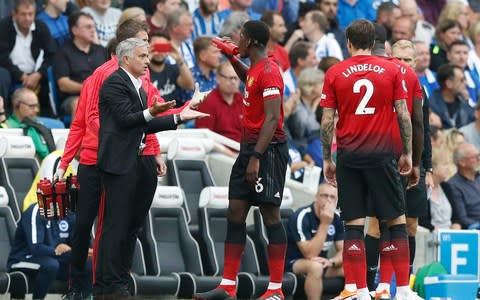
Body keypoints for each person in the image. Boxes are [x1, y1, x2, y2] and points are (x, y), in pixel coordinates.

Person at [53, 20, 209, 299]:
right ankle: (88, 287)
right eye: (144, 44)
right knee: (100, 226)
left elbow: (150, 116)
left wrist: (154, 148)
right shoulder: (102, 77)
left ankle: (117, 283)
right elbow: (90, 121)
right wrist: (67, 162)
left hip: (138, 156)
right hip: (102, 159)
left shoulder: (141, 79)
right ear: (128, 47)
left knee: (128, 223)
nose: (149, 50)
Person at [94, 38, 208, 299]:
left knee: (133, 225)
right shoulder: (113, 83)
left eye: (147, 56)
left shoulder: (139, 87)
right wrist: (151, 113)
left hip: (138, 161)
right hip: (118, 165)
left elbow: (144, 125)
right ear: (125, 60)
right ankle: (108, 285)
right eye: (143, 56)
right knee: (116, 226)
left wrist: (180, 117)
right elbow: (126, 120)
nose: (148, 61)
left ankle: (121, 280)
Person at [193, 20, 289, 300]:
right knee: (235, 210)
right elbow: (250, 78)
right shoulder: (258, 69)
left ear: (253, 42)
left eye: (242, 39)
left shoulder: (270, 71)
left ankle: (275, 289)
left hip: (268, 149)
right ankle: (228, 285)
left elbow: (272, 118)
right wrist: (231, 57)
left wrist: (256, 157)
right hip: (249, 147)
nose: (239, 42)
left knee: (270, 213)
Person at [319, 20, 413, 300]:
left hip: (349, 155)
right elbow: (403, 114)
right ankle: (404, 291)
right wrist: (406, 152)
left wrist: (327, 158)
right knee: (396, 221)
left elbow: (326, 122)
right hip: (382, 154)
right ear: (375, 43)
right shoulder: (392, 69)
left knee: (353, 225)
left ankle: (357, 289)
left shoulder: (335, 72)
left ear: (348, 42)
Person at [7, 203, 92, 300]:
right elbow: (36, 248)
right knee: (51, 265)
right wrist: (56, 251)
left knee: (89, 265)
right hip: (24, 259)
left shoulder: (70, 214)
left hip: (56, 259)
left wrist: (81, 250)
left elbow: (76, 244)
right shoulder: (36, 211)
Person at [285, 183, 344, 299]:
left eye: (332, 197)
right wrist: (325, 223)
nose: (328, 200)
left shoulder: (336, 218)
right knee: (315, 267)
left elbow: (344, 251)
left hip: (323, 263)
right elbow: (310, 254)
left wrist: (331, 261)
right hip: (295, 263)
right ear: (316, 197)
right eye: (324, 195)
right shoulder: (302, 216)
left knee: (352, 267)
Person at [0, 0, 57, 116]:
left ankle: (50, 116)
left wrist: (38, 74)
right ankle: (4, 114)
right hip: (12, 74)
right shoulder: (4, 26)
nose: (27, 18)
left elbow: (52, 54)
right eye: (23, 14)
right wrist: (21, 76)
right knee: (2, 75)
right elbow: (2, 57)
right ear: (14, 14)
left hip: (36, 76)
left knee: (51, 73)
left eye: (30, 14)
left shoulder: (41, 27)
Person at [53, 11, 107, 119]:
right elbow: (63, 84)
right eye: (88, 27)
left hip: (102, 96)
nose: (93, 30)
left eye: (93, 26)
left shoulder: (101, 51)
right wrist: (89, 88)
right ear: (75, 30)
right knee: (77, 104)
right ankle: (79, 136)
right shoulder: (63, 52)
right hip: (75, 97)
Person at [196, 61, 243, 142]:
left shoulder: (242, 100)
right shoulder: (208, 102)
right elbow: (204, 137)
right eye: (230, 78)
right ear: (218, 78)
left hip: (242, 149)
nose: (233, 82)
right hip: (219, 151)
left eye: (236, 78)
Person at [6, 88, 56, 161]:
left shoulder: (40, 127)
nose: (36, 110)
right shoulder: (7, 127)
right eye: (32, 106)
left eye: (37, 106)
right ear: (17, 105)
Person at [149, 31, 195, 102]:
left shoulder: (172, 69)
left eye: (163, 47)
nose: (159, 52)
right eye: (156, 47)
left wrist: (179, 59)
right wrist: (146, 58)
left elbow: (189, 85)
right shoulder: (143, 72)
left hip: (174, 111)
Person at [429, 64, 475, 129]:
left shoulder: (464, 102)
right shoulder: (431, 106)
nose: (466, 83)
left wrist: (467, 101)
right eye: (462, 80)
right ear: (449, 84)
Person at [448, 143, 480, 229]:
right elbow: (462, 218)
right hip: (474, 230)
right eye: (475, 157)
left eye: (479, 155)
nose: (479, 159)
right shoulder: (453, 185)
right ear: (462, 162)